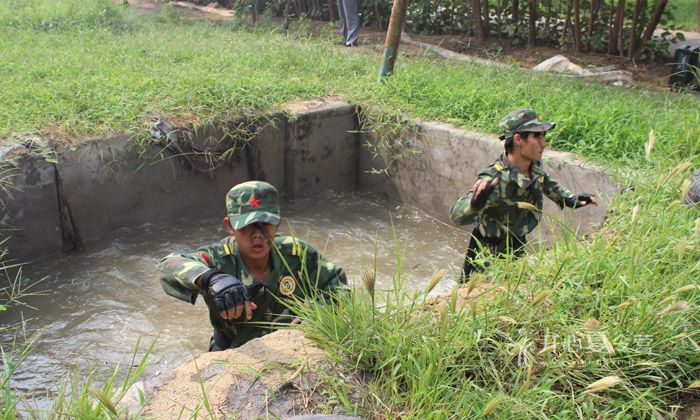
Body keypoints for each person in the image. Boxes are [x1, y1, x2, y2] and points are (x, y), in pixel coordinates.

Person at [158, 181, 347, 351]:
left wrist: (314, 319)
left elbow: (337, 286)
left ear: (277, 222)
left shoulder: (296, 255)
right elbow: (168, 265)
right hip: (232, 352)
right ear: (230, 226)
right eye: (246, 226)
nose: (257, 235)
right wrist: (211, 278)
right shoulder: (218, 258)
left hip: (291, 349)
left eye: (265, 224)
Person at [450, 109, 595, 281]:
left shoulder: (533, 166)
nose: (544, 144)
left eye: (543, 136)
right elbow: (456, 215)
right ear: (519, 139)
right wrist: (474, 205)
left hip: (517, 245)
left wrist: (570, 199)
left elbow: (547, 183)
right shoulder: (494, 178)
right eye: (537, 137)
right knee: (474, 300)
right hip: (486, 252)